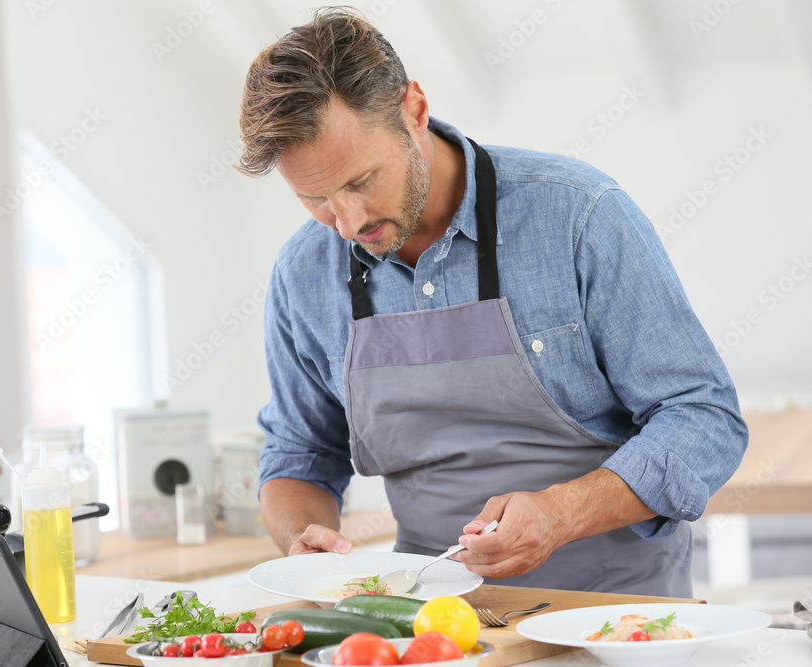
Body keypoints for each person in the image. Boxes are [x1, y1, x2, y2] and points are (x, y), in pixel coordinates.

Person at [235, 7, 746, 597]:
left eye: (359, 181)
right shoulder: (303, 273)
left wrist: (562, 513)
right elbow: (300, 452)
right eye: (314, 198)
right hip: (433, 626)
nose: (346, 223)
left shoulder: (579, 216)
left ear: (414, 110)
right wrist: (303, 536)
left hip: (614, 616)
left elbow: (704, 419)